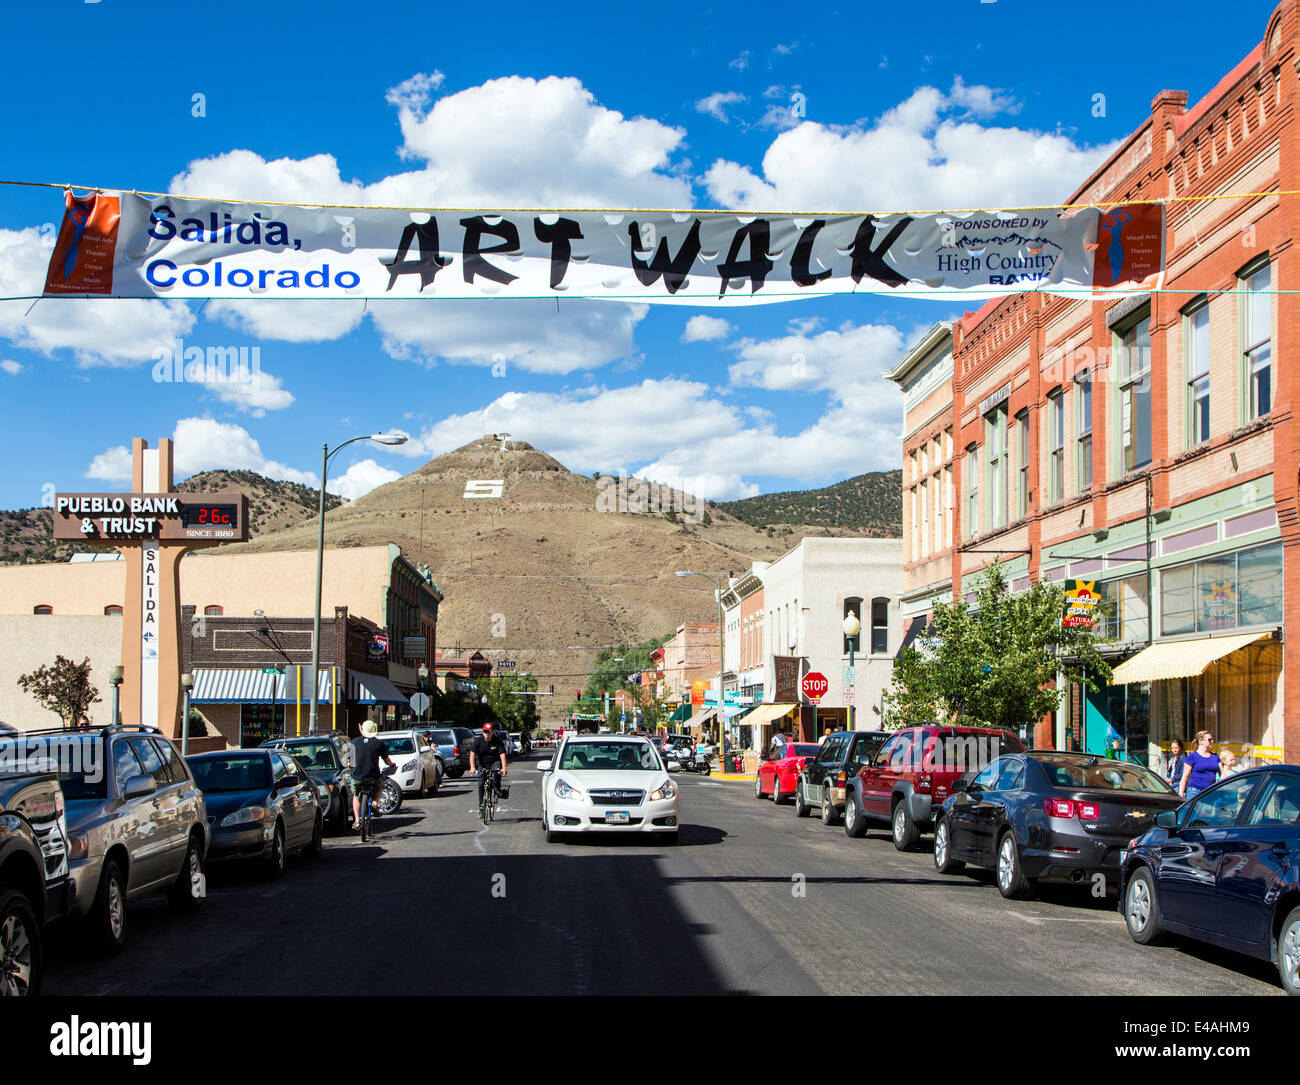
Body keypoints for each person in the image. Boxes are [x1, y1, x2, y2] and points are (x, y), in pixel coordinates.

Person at [350, 721, 396, 829]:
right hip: (373, 777)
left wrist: (351, 769)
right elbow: (387, 760)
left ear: (361, 729)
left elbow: (350, 761)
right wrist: (392, 765)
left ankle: (357, 821)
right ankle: (375, 803)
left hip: (358, 777)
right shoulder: (379, 743)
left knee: (356, 796)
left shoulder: (354, 742)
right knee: (380, 787)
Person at [469, 721, 508, 818]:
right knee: (481, 784)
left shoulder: (497, 741)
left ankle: (497, 791)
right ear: (482, 732)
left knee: (496, 774)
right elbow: (472, 754)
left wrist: (504, 768)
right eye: (485, 732)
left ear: (492, 732)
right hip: (482, 764)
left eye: (489, 732)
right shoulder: (478, 741)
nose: (487, 734)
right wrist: (472, 767)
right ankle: (481, 808)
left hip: (495, 762)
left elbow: (502, 755)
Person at [1179, 731, 1220, 799]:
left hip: (1210, 791)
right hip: (1195, 791)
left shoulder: (1215, 757)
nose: (1212, 741)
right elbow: (1185, 777)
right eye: (1210, 740)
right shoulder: (1192, 756)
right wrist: (1180, 794)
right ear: (1201, 741)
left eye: (1212, 739)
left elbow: (1223, 775)